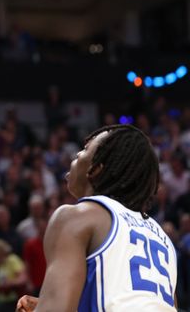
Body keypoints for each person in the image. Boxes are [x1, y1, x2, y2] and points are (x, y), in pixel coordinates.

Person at [16, 124, 177, 312]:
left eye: (85, 149)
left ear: (96, 169)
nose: (76, 155)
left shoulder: (76, 216)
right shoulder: (163, 239)